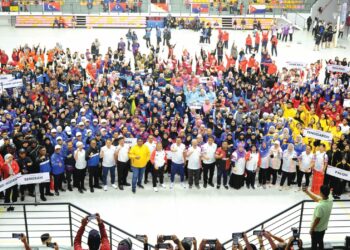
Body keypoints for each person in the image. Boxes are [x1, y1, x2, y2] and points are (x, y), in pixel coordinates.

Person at [303, 185, 333, 250]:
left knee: (314, 245)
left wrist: (312, 229)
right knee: (320, 241)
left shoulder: (320, 206)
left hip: (316, 230)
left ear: (321, 193)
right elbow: (317, 199)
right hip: (323, 227)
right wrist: (307, 192)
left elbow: (317, 219)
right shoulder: (330, 199)